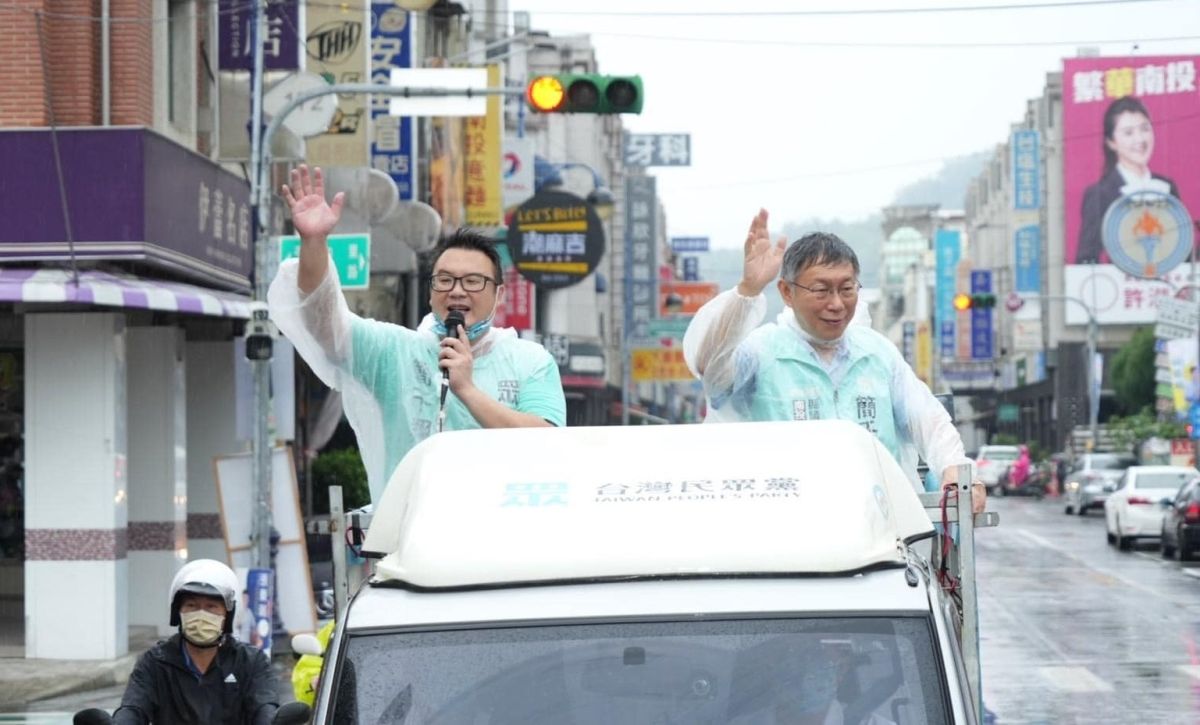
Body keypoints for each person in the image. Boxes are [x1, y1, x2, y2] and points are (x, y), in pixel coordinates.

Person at [268, 165, 567, 503]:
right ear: (430, 292)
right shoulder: (394, 351)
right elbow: (324, 323)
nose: (457, 291)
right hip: (409, 540)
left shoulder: (530, 361)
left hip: (501, 541)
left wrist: (467, 389)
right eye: (445, 280)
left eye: (473, 282)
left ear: (499, 295)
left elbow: (548, 445)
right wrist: (314, 242)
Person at [682, 209, 985, 512]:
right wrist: (748, 291)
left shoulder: (876, 352)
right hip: (786, 528)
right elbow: (712, 367)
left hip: (881, 529)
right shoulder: (761, 352)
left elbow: (927, 417)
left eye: (846, 288)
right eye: (821, 290)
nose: (837, 304)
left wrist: (956, 466)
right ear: (787, 292)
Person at [110, 559, 280, 724]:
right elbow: (134, 708)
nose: (201, 614)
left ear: (227, 615)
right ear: (178, 613)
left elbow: (264, 707)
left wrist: (272, 718)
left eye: (211, 607)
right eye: (191, 605)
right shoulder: (155, 662)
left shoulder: (250, 662)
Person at [1075, 95, 1181, 264]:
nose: (1139, 140)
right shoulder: (1099, 194)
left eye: (1145, 129)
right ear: (1111, 142)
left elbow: (1181, 247)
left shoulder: (1167, 187)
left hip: (1167, 287)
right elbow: (1086, 258)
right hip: (1122, 287)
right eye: (1128, 133)